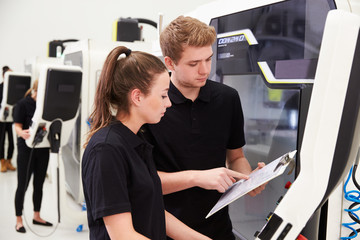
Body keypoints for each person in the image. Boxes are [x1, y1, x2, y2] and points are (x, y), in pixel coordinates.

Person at [142, 16, 266, 240]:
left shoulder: (227, 99)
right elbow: (142, 182)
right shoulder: (152, 106)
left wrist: (248, 179)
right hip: (165, 229)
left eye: (208, 59)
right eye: (193, 63)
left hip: (218, 229)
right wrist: (198, 177)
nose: (204, 70)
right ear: (169, 63)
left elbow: (236, 156)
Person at [82, 46, 211, 240]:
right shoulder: (107, 150)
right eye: (163, 95)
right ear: (137, 96)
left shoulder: (136, 141)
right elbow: (122, 235)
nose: (168, 103)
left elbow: (153, 211)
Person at [13, 80, 53, 233]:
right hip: (26, 150)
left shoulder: (45, 106)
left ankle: (37, 215)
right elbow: (17, 125)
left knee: (39, 184)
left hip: (42, 149)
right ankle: (18, 220)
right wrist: (21, 132)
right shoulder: (23, 104)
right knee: (22, 185)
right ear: (37, 89)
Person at [0, 66, 15, 172]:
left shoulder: (14, 89)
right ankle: (2, 162)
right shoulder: (0, 88)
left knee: (11, 141)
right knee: (1, 141)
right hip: (1, 119)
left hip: (12, 118)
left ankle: (9, 161)